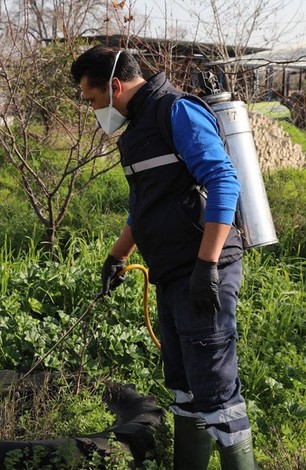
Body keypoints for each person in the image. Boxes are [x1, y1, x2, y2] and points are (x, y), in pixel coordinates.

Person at [70, 46, 256, 469]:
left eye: (92, 99)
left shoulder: (177, 112)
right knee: (185, 387)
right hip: (171, 274)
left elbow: (224, 181)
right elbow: (145, 206)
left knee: (216, 390)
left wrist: (207, 266)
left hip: (203, 270)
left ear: (114, 86)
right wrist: (116, 257)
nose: (93, 109)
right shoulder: (137, 131)